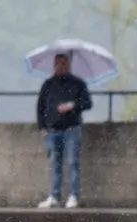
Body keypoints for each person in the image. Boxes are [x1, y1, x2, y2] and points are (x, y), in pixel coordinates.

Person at [36, 54, 92, 210]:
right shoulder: (48, 84)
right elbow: (40, 107)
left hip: (71, 130)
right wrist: (42, 127)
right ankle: (54, 196)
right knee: (55, 164)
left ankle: (72, 196)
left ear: (68, 65)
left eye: (64, 64)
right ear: (54, 66)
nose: (61, 67)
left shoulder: (78, 84)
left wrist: (72, 106)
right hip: (52, 130)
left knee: (72, 162)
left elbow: (87, 103)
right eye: (58, 64)